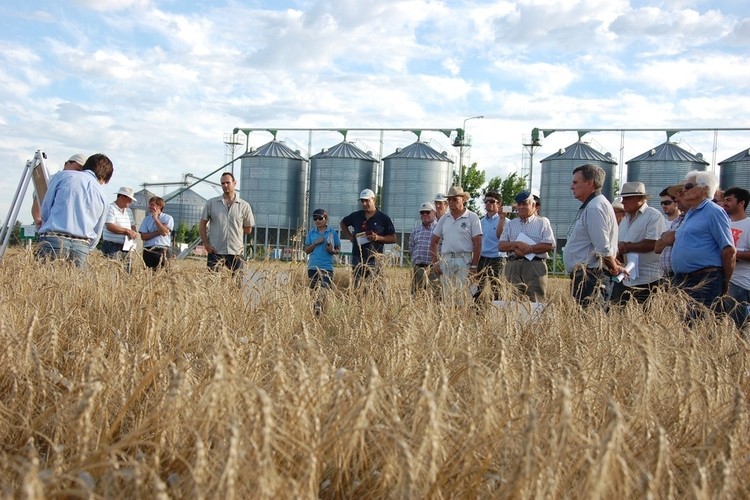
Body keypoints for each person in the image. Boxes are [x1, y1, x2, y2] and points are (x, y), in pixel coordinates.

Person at [671, 171, 737, 321]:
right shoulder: (691, 213)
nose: (684, 190)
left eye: (688, 186)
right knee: (684, 327)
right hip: (683, 279)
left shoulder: (714, 212)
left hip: (704, 280)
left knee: (700, 326)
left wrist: (725, 282)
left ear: (704, 189)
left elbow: (728, 250)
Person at [562, 164, 626, 306]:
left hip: (591, 278)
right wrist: (613, 263)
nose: (572, 187)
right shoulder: (597, 205)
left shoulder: (595, 207)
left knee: (590, 318)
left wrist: (614, 268)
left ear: (589, 183)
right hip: (589, 276)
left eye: (575, 182)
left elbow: (602, 247)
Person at [35, 154, 113, 267]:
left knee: (45, 277)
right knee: (74, 279)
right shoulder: (102, 194)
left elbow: (46, 207)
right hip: (81, 246)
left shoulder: (63, 176)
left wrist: (47, 228)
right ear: (104, 177)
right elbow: (98, 229)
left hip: (53, 239)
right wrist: (87, 246)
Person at [611, 182, 666, 304]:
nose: (623, 201)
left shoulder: (653, 216)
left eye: (627, 198)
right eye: (623, 198)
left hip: (649, 280)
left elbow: (654, 243)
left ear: (639, 199)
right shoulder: (625, 220)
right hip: (627, 280)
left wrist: (626, 247)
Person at [499, 191, 556, 301]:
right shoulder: (511, 224)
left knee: (536, 300)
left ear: (533, 205)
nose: (521, 207)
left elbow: (550, 245)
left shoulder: (542, 223)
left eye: (525, 204)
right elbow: (501, 246)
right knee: (513, 301)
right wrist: (516, 244)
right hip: (513, 265)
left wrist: (528, 249)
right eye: (519, 204)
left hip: (535, 266)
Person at [429, 186, 482, 294]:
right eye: (449, 199)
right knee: (447, 296)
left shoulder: (472, 217)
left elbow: (478, 243)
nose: (451, 202)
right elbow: (434, 240)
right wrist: (435, 262)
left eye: (455, 199)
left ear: (463, 199)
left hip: (464, 260)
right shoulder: (444, 218)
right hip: (446, 260)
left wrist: (474, 266)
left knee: (462, 295)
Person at [199, 172, 255, 274]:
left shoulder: (244, 206)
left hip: (236, 252)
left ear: (234, 183)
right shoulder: (211, 203)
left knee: (236, 282)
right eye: (222, 183)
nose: (225, 185)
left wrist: (234, 230)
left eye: (228, 183)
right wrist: (206, 244)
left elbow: (248, 229)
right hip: (215, 251)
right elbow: (202, 224)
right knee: (213, 282)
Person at [339, 188, 396, 288]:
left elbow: (393, 238)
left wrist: (377, 238)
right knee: (357, 286)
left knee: (376, 287)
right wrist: (350, 237)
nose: (364, 204)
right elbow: (343, 223)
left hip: (375, 258)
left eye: (367, 201)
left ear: (374, 200)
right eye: (362, 201)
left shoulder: (383, 218)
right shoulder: (356, 216)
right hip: (358, 257)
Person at [31, 153, 87, 228]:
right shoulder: (51, 179)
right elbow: (39, 201)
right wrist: (38, 220)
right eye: (77, 169)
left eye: (82, 172)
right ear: (66, 164)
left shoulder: (80, 185)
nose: (78, 173)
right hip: (54, 229)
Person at [304, 208, 340, 315]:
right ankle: (315, 317)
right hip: (313, 267)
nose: (317, 221)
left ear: (326, 218)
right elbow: (306, 250)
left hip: (327, 268)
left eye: (320, 218)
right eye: (315, 218)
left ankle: (323, 316)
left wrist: (332, 251)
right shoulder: (311, 233)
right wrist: (315, 243)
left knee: (324, 294)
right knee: (314, 295)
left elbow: (338, 250)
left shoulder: (332, 233)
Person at [723, 187, 750, 322]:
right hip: (721, 281)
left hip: (740, 283)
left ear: (741, 203)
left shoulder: (748, 224)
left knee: (737, 327)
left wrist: (732, 253)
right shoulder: (724, 223)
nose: (725, 203)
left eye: (729, 200)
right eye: (724, 200)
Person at [475, 191, 506, 300]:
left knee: (497, 289)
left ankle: (497, 309)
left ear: (499, 204)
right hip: (482, 258)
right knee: (479, 289)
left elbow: (501, 237)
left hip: (497, 259)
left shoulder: (505, 221)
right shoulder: (480, 221)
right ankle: (479, 309)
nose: (488, 203)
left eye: (492, 201)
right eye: (486, 201)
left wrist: (502, 219)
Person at [101, 187, 138, 271]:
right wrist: (127, 231)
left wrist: (133, 232)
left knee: (125, 273)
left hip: (126, 246)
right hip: (112, 246)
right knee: (112, 272)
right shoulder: (110, 208)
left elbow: (132, 225)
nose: (131, 202)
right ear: (122, 197)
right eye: (129, 199)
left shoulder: (129, 211)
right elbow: (110, 226)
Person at [655, 184, 686, 281]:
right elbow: (657, 248)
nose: (663, 206)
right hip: (664, 275)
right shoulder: (661, 222)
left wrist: (667, 239)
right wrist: (670, 239)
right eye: (662, 203)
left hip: (679, 274)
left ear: (676, 202)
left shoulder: (684, 221)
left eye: (667, 202)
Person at [408, 202, 437, 294]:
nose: (425, 214)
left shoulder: (439, 229)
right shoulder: (415, 231)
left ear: (434, 213)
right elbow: (411, 249)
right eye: (422, 212)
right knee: (417, 295)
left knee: (434, 295)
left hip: (433, 268)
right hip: (418, 268)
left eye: (427, 212)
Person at [139, 196, 174, 270]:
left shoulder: (168, 218)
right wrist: (158, 231)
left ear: (159, 206)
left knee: (163, 273)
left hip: (163, 249)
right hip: (149, 250)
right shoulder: (146, 219)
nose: (150, 207)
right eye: (149, 205)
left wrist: (156, 219)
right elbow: (143, 236)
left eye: (152, 205)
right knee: (149, 273)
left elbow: (164, 233)